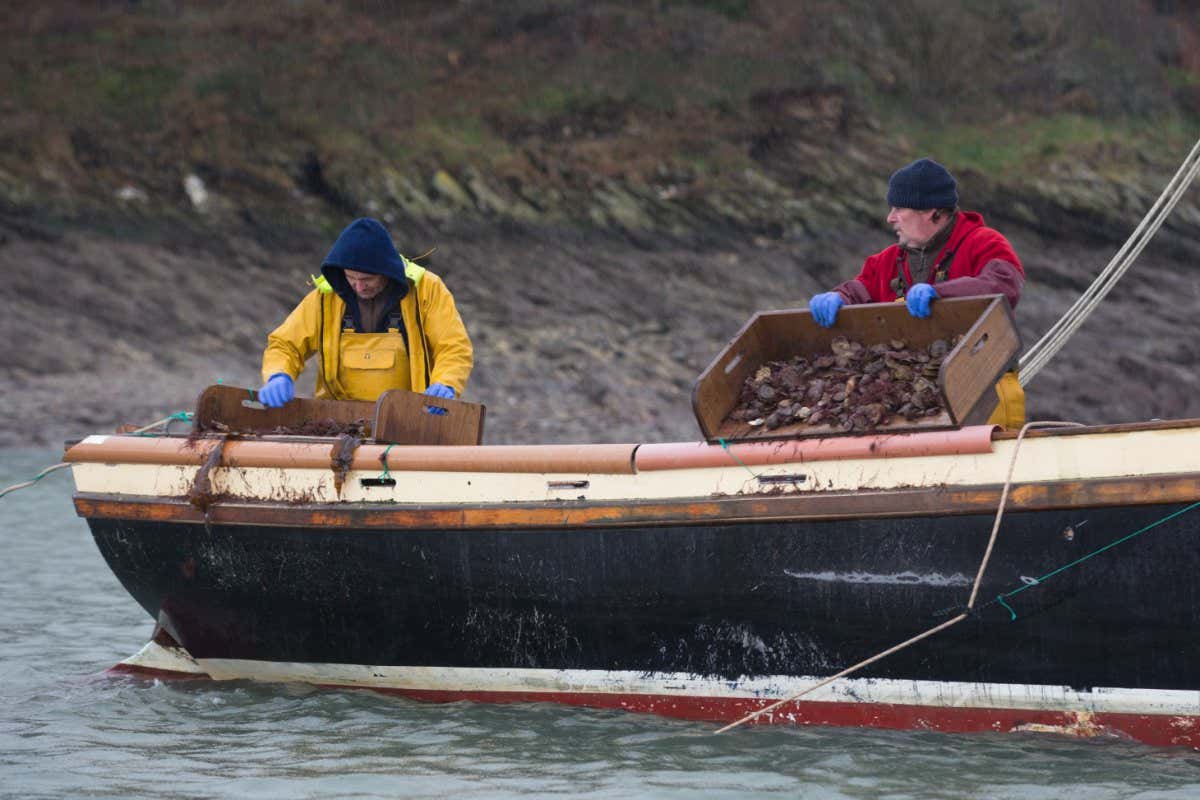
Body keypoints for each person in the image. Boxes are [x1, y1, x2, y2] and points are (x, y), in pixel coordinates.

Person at [807, 157, 1025, 428]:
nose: (890, 218)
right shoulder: (884, 261)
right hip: (908, 402)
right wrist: (839, 297)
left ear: (931, 212)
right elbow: (860, 289)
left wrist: (941, 293)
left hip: (986, 389)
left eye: (899, 208)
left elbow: (1004, 284)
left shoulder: (985, 243)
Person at [258, 217, 473, 410]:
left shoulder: (427, 289)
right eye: (352, 278)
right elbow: (285, 344)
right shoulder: (326, 296)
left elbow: (453, 347)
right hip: (337, 421)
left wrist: (445, 383)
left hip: (413, 418)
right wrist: (279, 374)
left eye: (367, 279)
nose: (359, 287)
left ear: (386, 272)